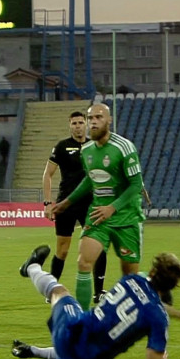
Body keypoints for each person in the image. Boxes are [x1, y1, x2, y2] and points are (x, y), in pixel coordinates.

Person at [13, 245, 180, 359]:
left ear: (152, 272)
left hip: (70, 332)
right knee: (89, 343)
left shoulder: (131, 279)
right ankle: (33, 351)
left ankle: (32, 268)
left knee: (59, 292)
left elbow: (142, 300)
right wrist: (162, 358)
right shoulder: (158, 318)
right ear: (173, 286)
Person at [53, 103, 146, 311]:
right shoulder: (86, 150)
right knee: (83, 263)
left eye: (98, 117)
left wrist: (112, 208)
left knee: (130, 277)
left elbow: (136, 185)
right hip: (98, 215)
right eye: (90, 118)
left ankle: (138, 306)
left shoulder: (124, 147)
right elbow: (90, 180)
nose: (93, 122)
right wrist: (66, 203)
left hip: (126, 217)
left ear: (109, 120)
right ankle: (83, 320)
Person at [42, 110, 107, 304]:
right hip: (66, 204)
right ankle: (52, 290)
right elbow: (48, 174)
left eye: (81, 122)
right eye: (74, 123)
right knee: (62, 249)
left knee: (98, 246)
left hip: (90, 204)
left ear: (86, 124)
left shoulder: (95, 145)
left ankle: (99, 292)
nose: (78, 126)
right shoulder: (62, 147)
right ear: (69, 125)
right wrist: (47, 203)